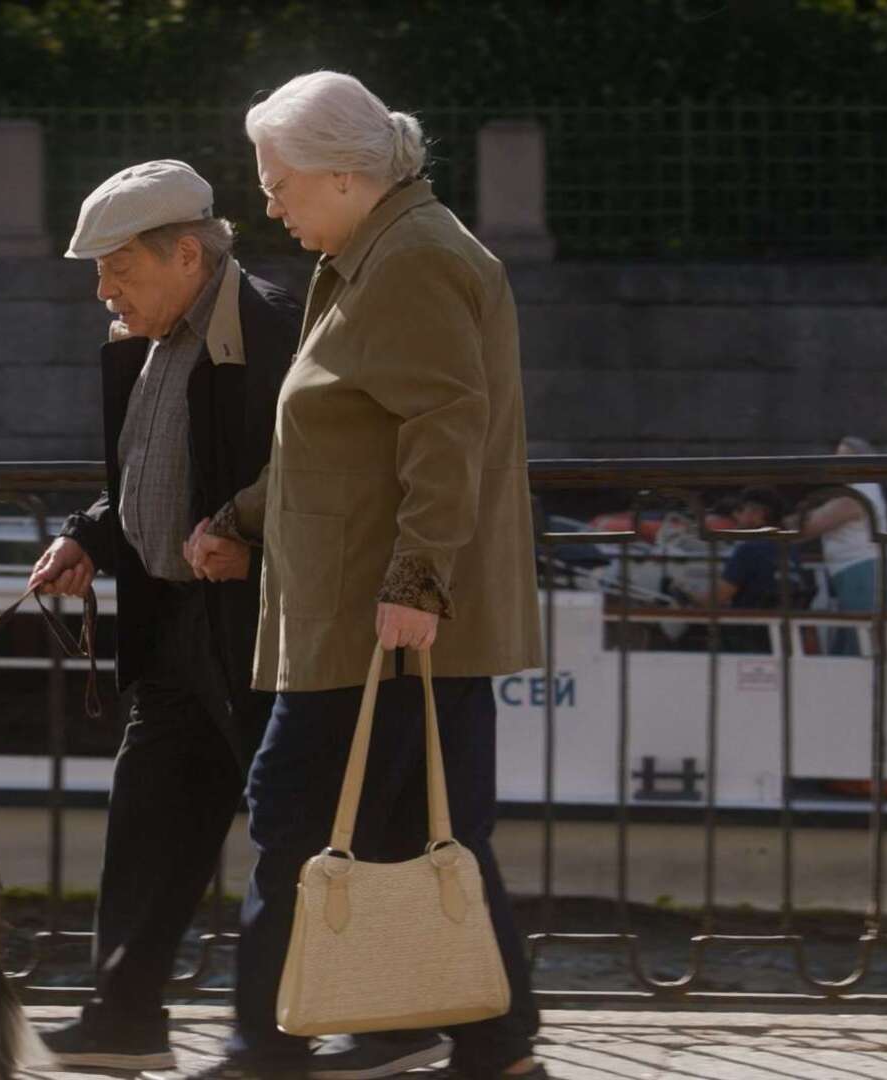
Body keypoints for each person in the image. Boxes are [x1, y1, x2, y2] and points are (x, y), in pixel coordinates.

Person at [26, 160, 440, 1079]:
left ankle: (389, 1021)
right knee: (151, 822)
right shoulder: (156, 332)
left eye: (118, 270)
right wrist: (92, 533)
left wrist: (256, 549)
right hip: (177, 623)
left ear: (184, 254)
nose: (104, 292)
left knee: (318, 826)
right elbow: (149, 468)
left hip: (258, 628)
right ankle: (124, 1015)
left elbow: (335, 475)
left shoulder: (272, 328)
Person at [183, 71, 547, 1079]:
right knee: (426, 833)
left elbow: (444, 433)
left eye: (280, 180)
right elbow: (340, 439)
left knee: (296, 817)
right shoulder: (382, 252)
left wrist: (416, 585)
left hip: (375, 619)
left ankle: (266, 1045)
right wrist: (238, 520)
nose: (269, 202)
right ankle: (488, 1045)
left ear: (344, 175)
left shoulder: (412, 261)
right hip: (376, 611)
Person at [793, 436, 886, 656]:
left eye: (844, 458)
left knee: (859, 643)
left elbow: (811, 525)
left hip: (861, 572)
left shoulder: (861, 490)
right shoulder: (857, 489)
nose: (837, 463)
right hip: (852, 573)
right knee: (848, 638)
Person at [690, 488, 799, 653]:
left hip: (746, 636)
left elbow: (713, 600)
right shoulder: (790, 549)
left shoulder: (749, 550)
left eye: (741, 510)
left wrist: (688, 594)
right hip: (779, 637)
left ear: (758, 514)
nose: (736, 516)